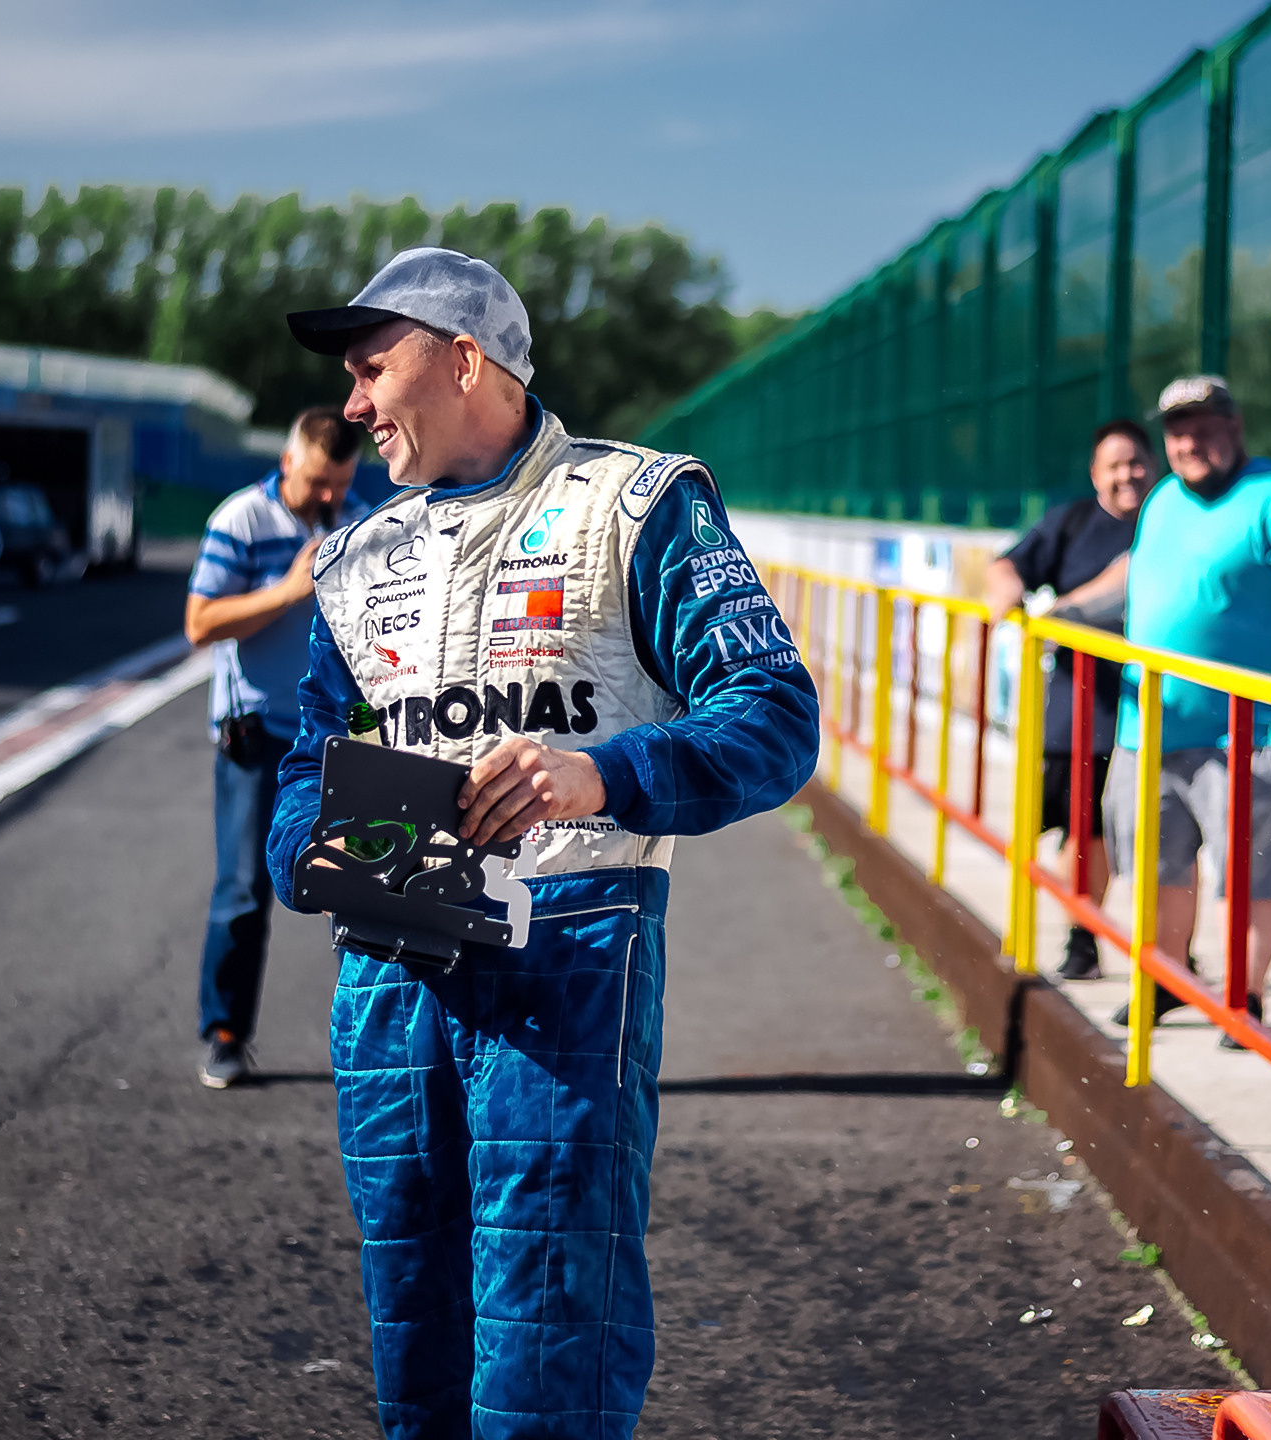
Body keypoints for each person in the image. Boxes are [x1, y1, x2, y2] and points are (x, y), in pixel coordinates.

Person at [265, 247, 820, 1439]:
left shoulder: (639, 501)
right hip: (387, 970)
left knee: (547, 1352)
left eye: (373, 369)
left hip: (567, 962)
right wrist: (315, 845)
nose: (353, 405)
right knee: (414, 1352)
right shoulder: (355, 556)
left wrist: (599, 775)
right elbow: (309, 755)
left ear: (466, 361)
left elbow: (775, 717)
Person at [1070, 375, 1271, 1043]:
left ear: (1235, 426)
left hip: (1247, 731)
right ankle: (1166, 981)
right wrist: (1068, 610)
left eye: (1204, 426)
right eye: (1178, 431)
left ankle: (1242, 1001)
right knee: (1156, 866)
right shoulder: (1163, 498)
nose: (1190, 442)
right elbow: (1136, 574)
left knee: (1250, 874)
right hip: (1152, 726)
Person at [184, 406, 365, 1089]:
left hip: (338, 738)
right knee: (244, 890)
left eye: (339, 485)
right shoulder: (241, 520)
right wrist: (288, 590)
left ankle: (366, 1042)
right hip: (257, 733)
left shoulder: (361, 521)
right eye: (319, 483)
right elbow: (200, 622)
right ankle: (225, 1032)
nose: (328, 498)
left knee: (360, 892)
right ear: (288, 462)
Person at [983, 417, 1157, 980]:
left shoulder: (1168, 524)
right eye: (1114, 465)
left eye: (1135, 463)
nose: (1126, 475)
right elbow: (1008, 564)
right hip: (1079, 708)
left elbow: (1127, 581)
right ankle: (1076, 934)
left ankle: (1161, 948)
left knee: (1124, 834)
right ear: (1094, 473)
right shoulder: (1073, 520)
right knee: (1075, 829)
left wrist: (1057, 612)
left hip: (1154, 711)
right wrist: (1007, 590)